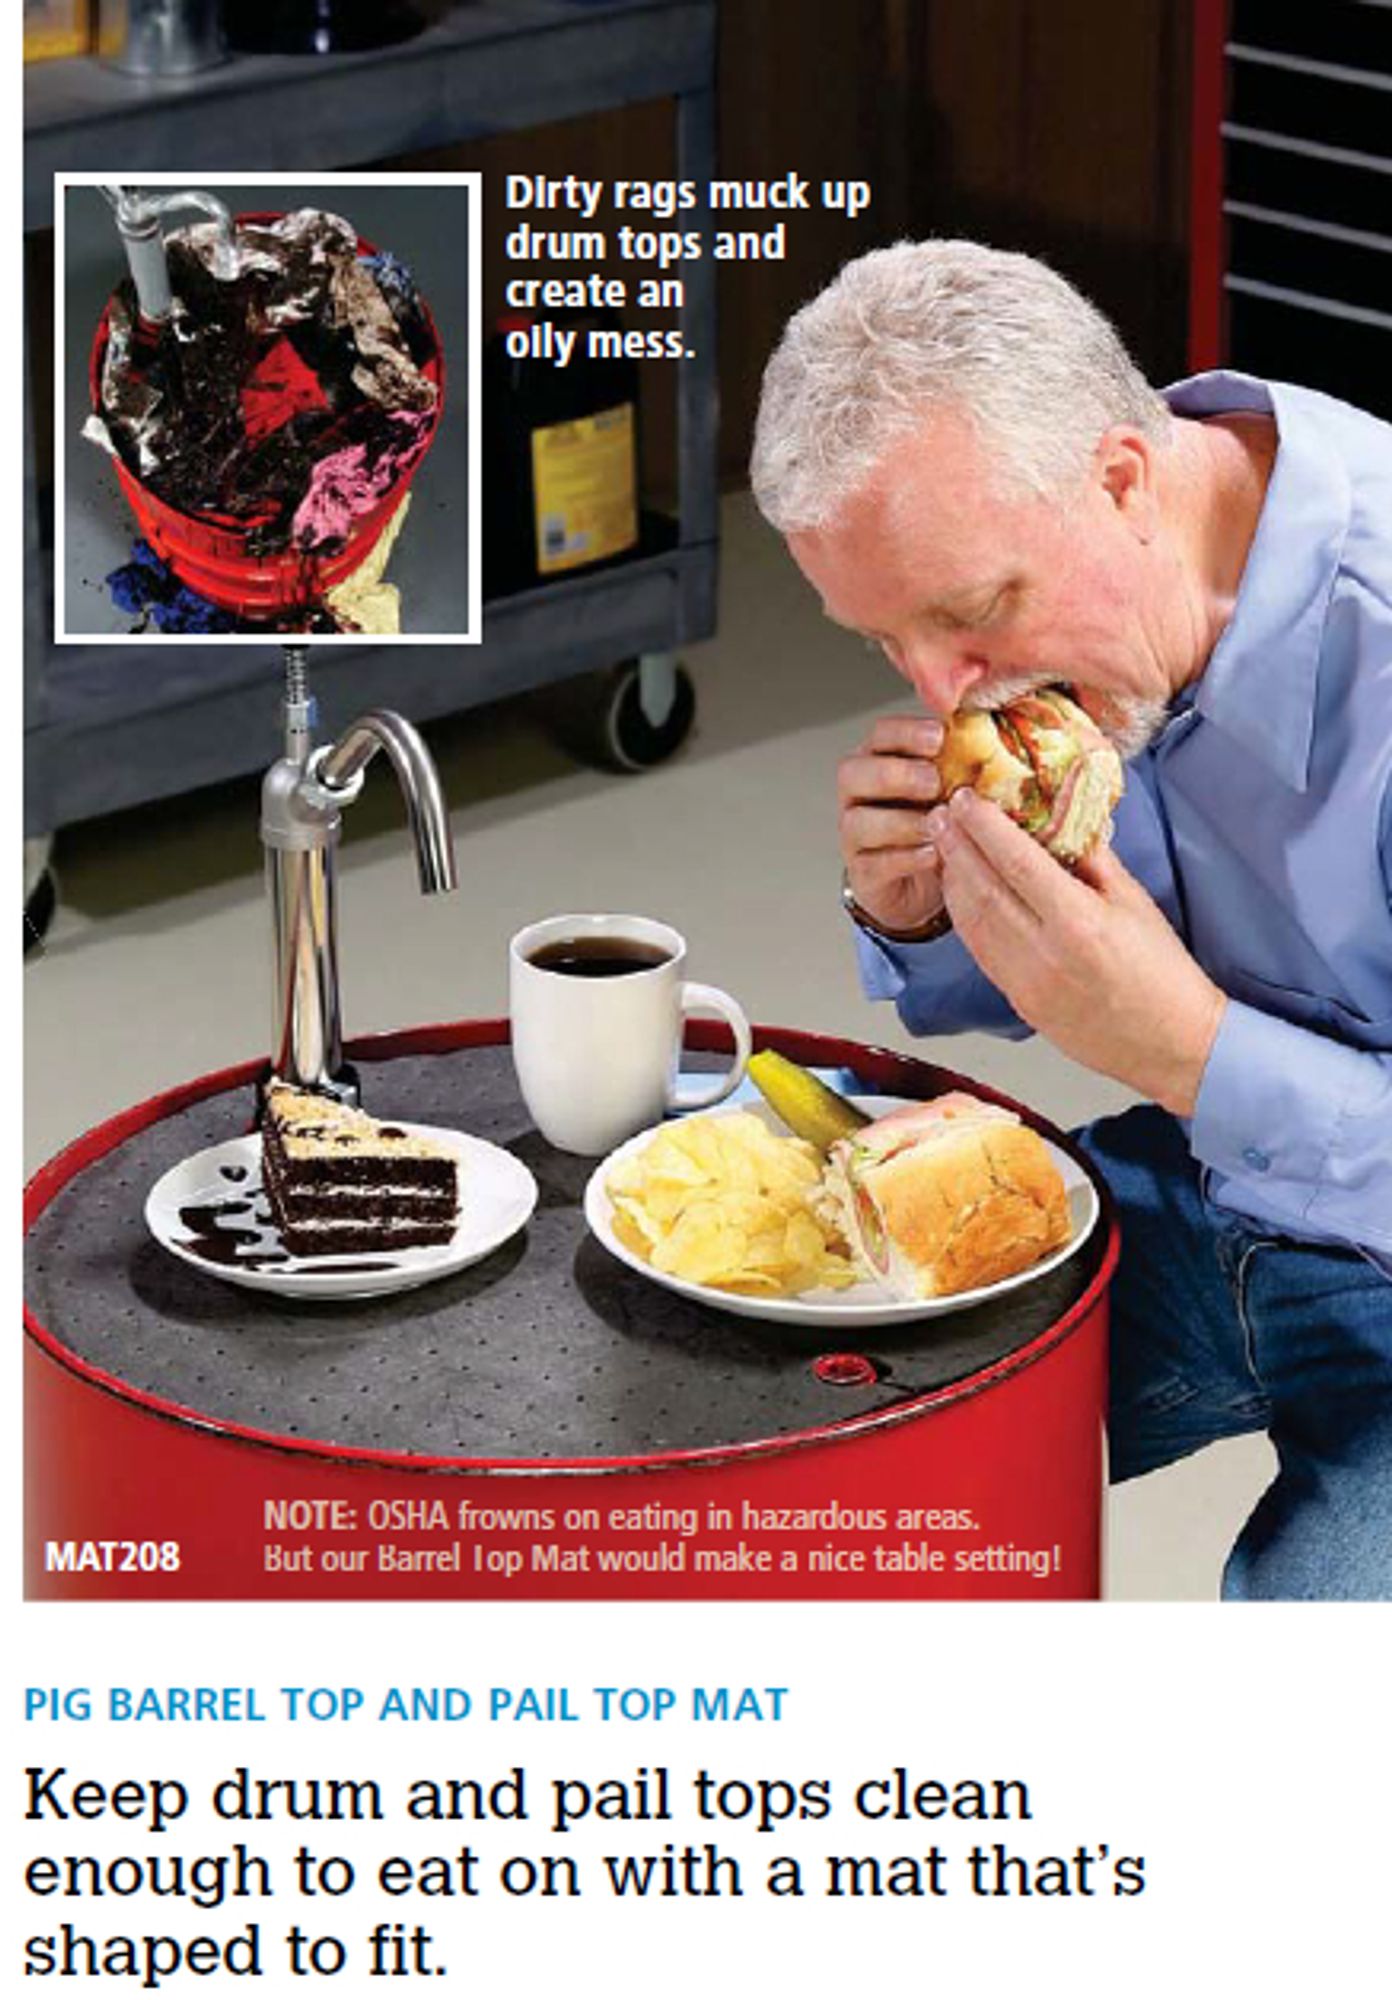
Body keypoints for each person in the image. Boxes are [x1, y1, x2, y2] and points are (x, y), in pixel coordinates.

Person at [750, 239, 1392, 1600]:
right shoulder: (1125, 580)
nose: (941, 693)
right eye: (885, 641)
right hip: (1232, 1198)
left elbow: (1164, 1023)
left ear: (1119, 479)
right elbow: (1103, 951)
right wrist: (922, 918)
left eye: (974, 613)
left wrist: (1187, 1052)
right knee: (788, 1447)